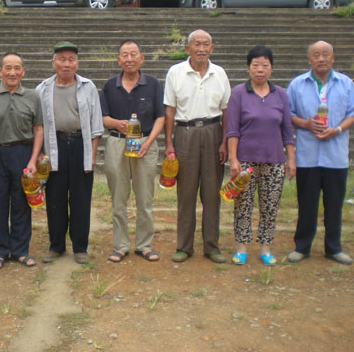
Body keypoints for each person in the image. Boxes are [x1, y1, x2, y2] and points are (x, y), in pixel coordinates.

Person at [287, 40, 354, 265]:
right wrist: (305, 123)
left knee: (334, 205)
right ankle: (302, 247)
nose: (321, 59)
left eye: (325, 55)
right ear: (309, 59)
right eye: (316, 55)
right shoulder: (297, 84)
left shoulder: (346, 83)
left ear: (333, 58)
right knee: (306, 204)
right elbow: (287, 115)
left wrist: (337, 129)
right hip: (307, 156)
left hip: (335, 155)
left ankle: (333, 248)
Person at [163, 30, 231, 263]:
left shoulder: (219, 73)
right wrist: (169, 143)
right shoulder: (175, 72)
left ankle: (212, 246)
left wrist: (224, 141)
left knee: (212, 193)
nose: (201, 48)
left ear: (212, 48)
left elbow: (226, 110)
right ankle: (184, 246)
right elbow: (169, 110)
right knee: (186, 192)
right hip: (185, 133)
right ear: (187, 48)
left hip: (213, 132)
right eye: (196, 44)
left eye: (206, 44)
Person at [226, 46, 296, 266]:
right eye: (255, 65)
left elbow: (287, 130)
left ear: (271, 68)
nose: (260, 69)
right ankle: (241, 247)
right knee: (243, 205)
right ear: (248, 68)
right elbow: (232, 129)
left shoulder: (280, 94)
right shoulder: (239, 93)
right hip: (245, 161)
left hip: (274, 161)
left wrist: (291, 159)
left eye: (265, 65)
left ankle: (265, 247)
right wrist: (233, 159)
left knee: (270, 205)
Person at [36, 41, 103, 264]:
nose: (67, 64)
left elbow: (95, 125)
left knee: (80, 198)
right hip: (53, 146)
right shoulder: (42, 89)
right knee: (54, 198)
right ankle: (56, 246)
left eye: (71, 59)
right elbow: (38, 124)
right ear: (53, 62)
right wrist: (40, 153)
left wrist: (92, 155)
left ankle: (80, 247)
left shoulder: (88, 87)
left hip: (80, 144)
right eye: (62, 59)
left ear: (77, 63)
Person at [0, 53, 43, 270]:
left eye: (17, 68)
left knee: (22, 203)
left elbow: (38, 129)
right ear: (0, 71)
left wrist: (33, 160)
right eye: (8, 68)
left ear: (23, 71)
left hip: (23, 153)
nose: (12, 73)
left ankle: (21, 250)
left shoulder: (32, 97)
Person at [100, 40, 165, 263]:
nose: (129, 59)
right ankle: (120, 245)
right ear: (118, 59)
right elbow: (103, 117)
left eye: (133, 54)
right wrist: (116, 123)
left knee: (144, 198)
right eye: (125, 55)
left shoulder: (153, 84)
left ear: (142, 58)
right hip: (117, 142)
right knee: (118, 198)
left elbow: (161, 117)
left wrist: (149, 142)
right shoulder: (110, 86)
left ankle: (144, 245)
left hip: (145, 143)